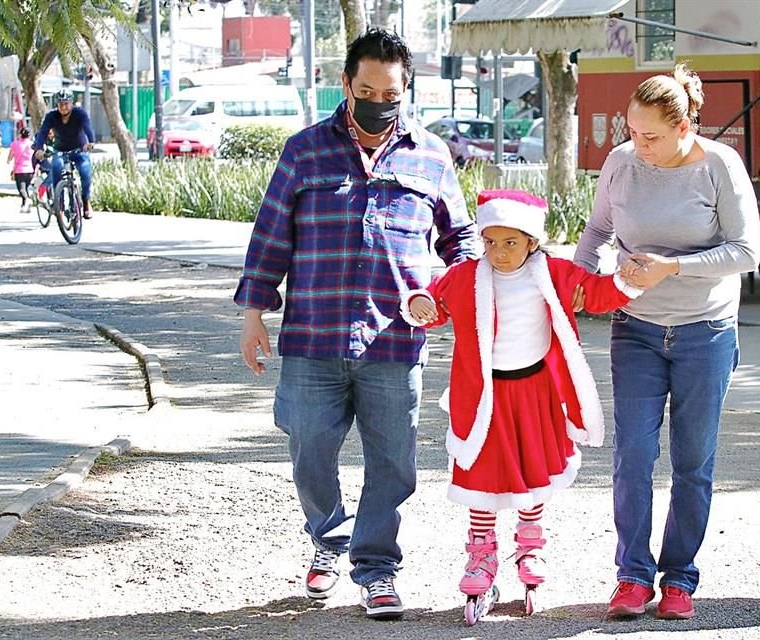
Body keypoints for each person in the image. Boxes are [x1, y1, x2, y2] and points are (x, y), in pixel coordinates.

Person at [234, 28, 479, 620]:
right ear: (345, 84)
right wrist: (253, 315)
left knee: (393, 464)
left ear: (407, 90)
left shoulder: (431, 155)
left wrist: (471, 292)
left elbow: (460, 240)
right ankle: (329, 539)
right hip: (313, 336)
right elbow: (271, 236)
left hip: (396, 340)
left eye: (389, 93)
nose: (377, 102)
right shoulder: (305, 151)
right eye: (365, 89)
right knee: (309, 449)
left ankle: (376, 570)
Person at [573, 63, 760, 620]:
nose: (639, 145)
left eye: (651, 135)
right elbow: (597, 232)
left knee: (692, 462)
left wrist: (672, 267)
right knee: (632, 454)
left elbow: (746, 253)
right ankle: (631, 576)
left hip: (707, 332)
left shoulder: (720, 166)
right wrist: (577, 286)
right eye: (632, 132)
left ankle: (679, 578)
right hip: (636, 331)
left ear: (686, 126)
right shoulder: (622, 163)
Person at [400, 189, 642, 617]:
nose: (498, 252)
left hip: (535, 393)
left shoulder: (554, 273)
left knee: (533, 470)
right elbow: (435, 304)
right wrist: (418, 302)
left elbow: (600, 294)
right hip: (482, 397)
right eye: (489, 242)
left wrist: (630, 280)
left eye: (510, 242)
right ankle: (482, 554)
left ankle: (530, 548)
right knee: (481, 474)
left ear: (532, 240)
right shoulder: (466, 276)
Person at [33, 89, 95, 219]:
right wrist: (39, 148)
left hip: (79, 150)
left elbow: (87, 127)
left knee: (85, 171)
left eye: (66, 103)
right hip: (60, 150)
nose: (63, 107)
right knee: (56, 167)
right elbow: (43, 132)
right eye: (61, 103)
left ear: (71, 103)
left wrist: (91, 142)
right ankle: (59, 204)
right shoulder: (51, 116)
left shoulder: (80, 114)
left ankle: (86, 201)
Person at [7, 127, 34, 212]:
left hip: (20, 170)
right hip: (30, 170)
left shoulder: (15, 144)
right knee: (26, 188)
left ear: (20, 134)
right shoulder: (32, 144)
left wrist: (8, 160)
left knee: (21, 189)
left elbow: (10, 157)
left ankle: (27, 200)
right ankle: (25, 206)